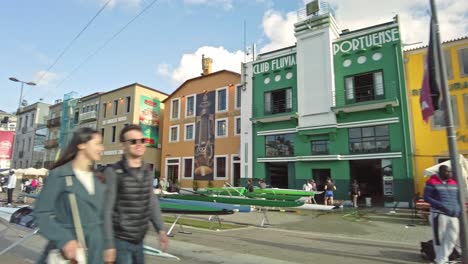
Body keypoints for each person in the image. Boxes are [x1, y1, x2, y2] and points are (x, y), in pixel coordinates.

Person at [34, 127, 106, 263]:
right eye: (97, 143)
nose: (102, 148)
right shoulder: (59, 175)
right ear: (81, 144)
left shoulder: (99, 179)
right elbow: (42, 213)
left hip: (96, 252)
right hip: (69, 253)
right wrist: (65, 240)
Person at [103, 125, 168, 263]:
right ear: (124, 146)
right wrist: (109, 245)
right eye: (133, 141)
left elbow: (151, 202)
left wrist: (161, 230)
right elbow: (107, 211)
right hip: (120, 242)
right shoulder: (114, 172)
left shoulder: (146, 171)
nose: (138, 144)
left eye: (142, 140)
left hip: (139, 241)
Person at [424, 165, 461, 264]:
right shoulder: (431, 182)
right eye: (446, 171)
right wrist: (440, 205)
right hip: (439, 214)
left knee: (452, 238)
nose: (449, 173)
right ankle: (440, 260)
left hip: (454, 215)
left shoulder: (454, 182)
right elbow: (426, 197)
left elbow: (457, 198)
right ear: (440, 172)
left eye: (450, 171)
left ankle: (442, 259)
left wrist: (459, 209)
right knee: (439, 239)